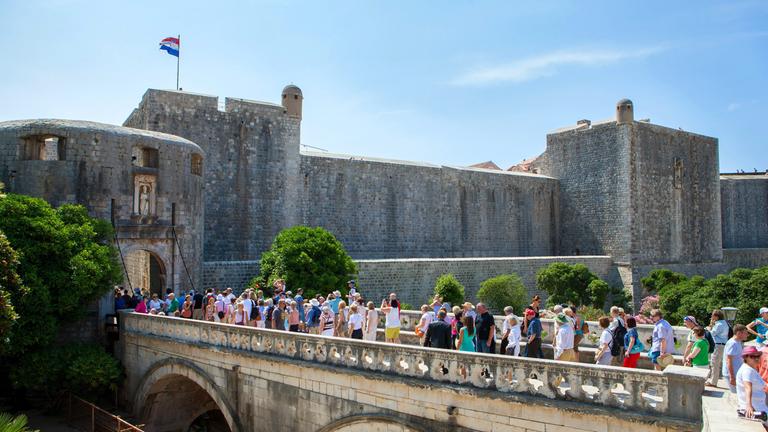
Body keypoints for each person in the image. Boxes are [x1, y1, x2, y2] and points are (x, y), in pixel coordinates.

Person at [736, 346, 768, 424]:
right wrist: (749, 406)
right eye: (753, 356)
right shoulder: (747, 371)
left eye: (758, 356)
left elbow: (764, 385)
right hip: (757, 408)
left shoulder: (751, 369)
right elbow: (747, 388)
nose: (756, 358)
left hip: (760, 406)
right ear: (746, 357)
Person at [724, 324, 749, 392]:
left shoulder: (738, 342)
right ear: (738, 333)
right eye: (746, 333)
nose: (747, 335)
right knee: (736, 396)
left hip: (736, 373)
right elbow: (728, 361)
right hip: (732, 375)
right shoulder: (733, 343)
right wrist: (732, 377)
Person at [708, 309, 730, 386]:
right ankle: (713, 380)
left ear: (716, 316)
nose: (711, 317)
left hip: (718, 345)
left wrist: (709, 327)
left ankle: (713, 382)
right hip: (721, 345)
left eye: (712, 315)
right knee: (716, 363)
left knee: (714, 364)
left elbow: (711, 334)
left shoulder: (719, 325)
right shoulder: (724, 323)